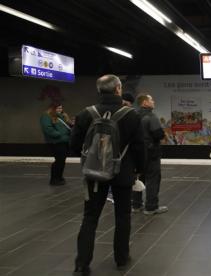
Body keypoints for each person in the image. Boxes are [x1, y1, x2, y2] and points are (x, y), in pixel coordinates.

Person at [70, 75, 145, 274]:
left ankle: (82, 263)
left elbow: (75, 145)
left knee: (90, 217)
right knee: (123, 216)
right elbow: (140, 147)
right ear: (118, 89)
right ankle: (121, 258)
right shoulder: (132, 115)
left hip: (94, 173)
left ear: (99, 90)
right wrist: (138, 170)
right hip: (123, 173)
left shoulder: (86, 114)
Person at [132, 94, 168, 215]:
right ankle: (151, 207)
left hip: (136, 154)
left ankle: (136, 205)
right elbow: (158, 134)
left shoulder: (133, 116)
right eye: (151, 100)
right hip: (151, 154)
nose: (153, 102)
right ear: (145, 103)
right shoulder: (151, 117)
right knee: (152, 179)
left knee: (137, 178)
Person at [39, 103, 72, 185]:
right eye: (57, 108)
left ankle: (59, 177)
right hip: (55, 142)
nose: (59, 110)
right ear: (52, 108)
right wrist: (58, 134)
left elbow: (66, 127)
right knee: (59, 160)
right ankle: (54, 179)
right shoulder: (46, 116)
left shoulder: (62, 116)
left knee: (62, 161)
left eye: (61, 108)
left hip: (64, 141)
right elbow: (47, 128)